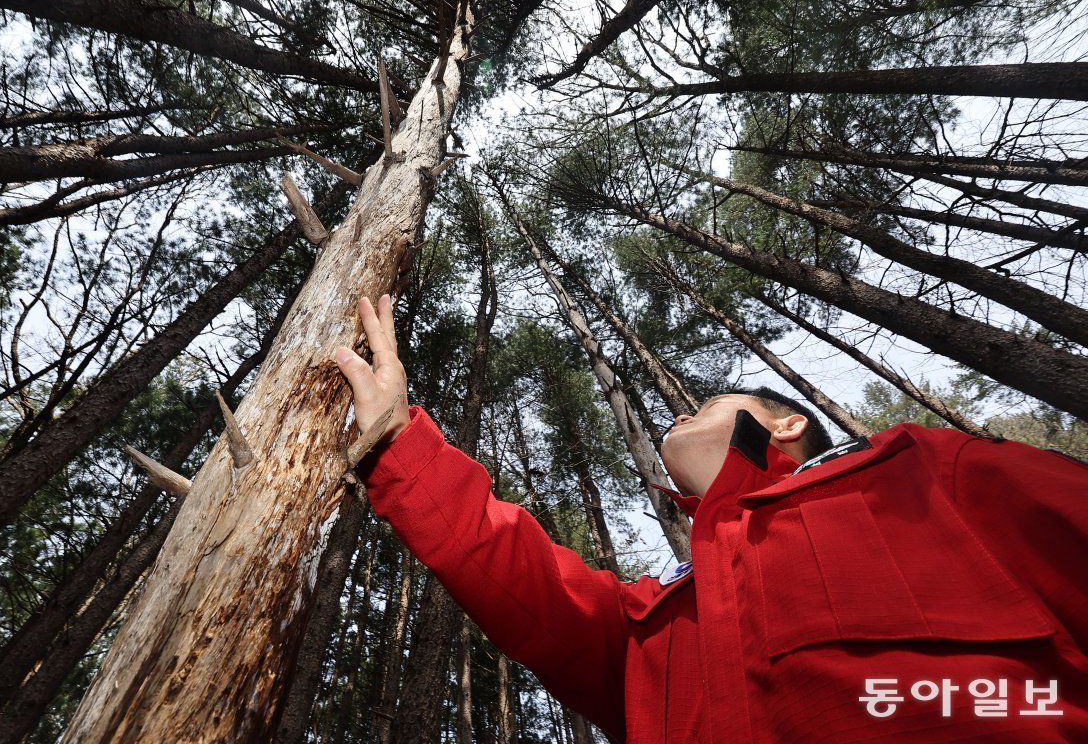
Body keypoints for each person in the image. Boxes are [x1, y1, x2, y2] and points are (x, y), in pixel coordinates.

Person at [334, 295, 1088, 743]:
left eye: (714, 403)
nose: (683, 410)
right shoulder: (651, 621)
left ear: (785, 426)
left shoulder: (921, 474)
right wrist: (401, 439)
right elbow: (509, 567)